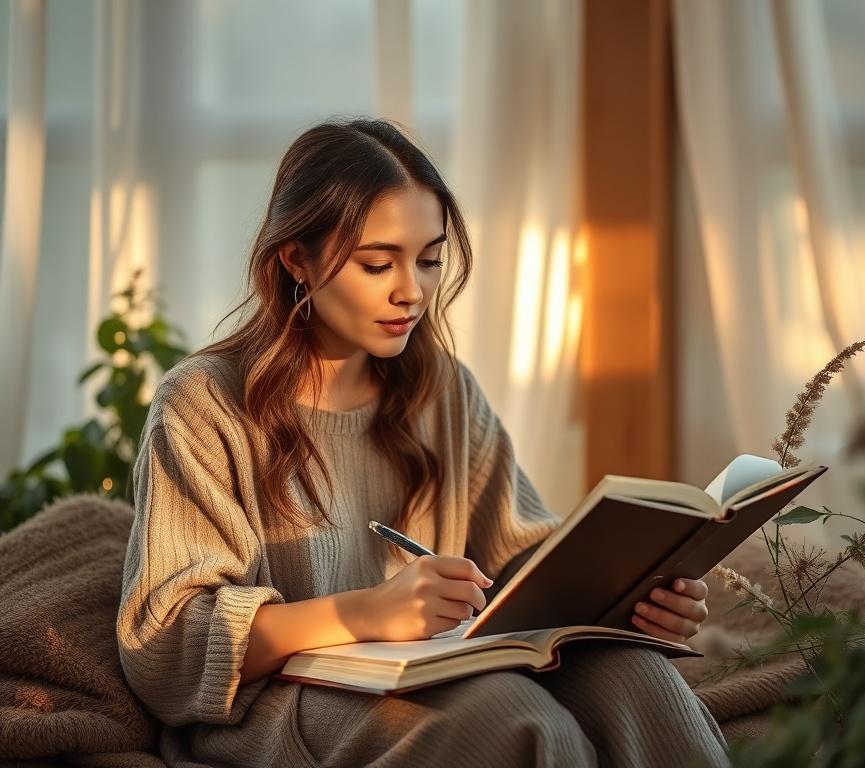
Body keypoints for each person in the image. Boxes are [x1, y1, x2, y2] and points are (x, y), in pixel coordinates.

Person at [116, 118, 729, 768]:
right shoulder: (203, 402)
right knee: (513, 722)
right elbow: (165, 643)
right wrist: (365, 614)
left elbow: (522, 562)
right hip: (279, 699)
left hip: (435, 666)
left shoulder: (443, 391)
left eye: (430, 259)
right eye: (378, 263)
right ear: (296, 258)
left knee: (639, 680)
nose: (412, 291)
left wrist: (627, 602)